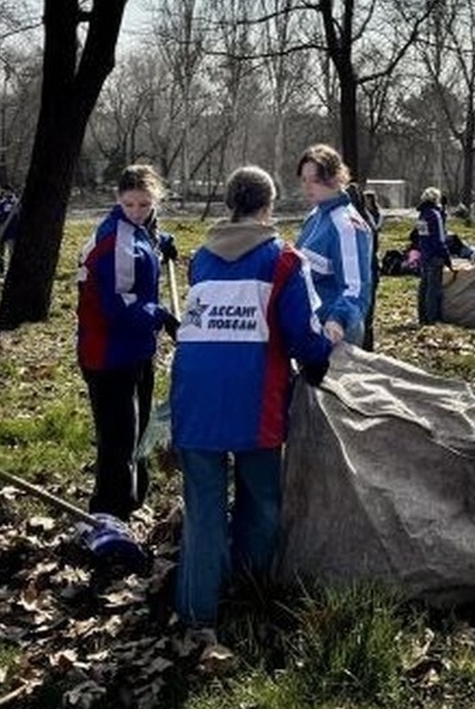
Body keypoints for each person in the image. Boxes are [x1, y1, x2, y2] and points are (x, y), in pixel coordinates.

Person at [170, 165, 333, 630]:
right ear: (268, 207)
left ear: (228, 205)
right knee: (260, 500)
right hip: (253, 399)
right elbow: (303, 335)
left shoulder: (201, 257)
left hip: (194, 398)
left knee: (202, 509)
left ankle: (197, 611)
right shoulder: (284, 260)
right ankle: (250, 593)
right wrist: (323, 357)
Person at [76, 165, 178, 521]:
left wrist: (160, 242)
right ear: (118, 199)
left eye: (145, 205)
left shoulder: (138, 230)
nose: (137, 211)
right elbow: (118, 306)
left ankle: (133, 500)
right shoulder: (115, 240)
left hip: (134, 349)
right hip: (108, 353)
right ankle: (108, 513)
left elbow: (144, 240)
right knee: (118, 438)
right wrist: (161, 317)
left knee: (139, 427)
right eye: (130, 204)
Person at [295, 144, 373, 346]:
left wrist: (338, 319)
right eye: (304, 180)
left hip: (334, 333)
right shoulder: (316, 215)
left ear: (336, 177)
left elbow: (356, 287)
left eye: (315, 180)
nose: (307, 186)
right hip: (311, 327)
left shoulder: (346, 225)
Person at [415, 187, 450, 325]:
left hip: (424, 254)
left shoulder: (422, 215)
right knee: (433, 289)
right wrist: (446, 256)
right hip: (435, 256)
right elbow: (440, 239)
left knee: (424, 286)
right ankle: (432, 318)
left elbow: (422, 236)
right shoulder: (435, 215)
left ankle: (422, 316)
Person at [360, 189, 383, 350]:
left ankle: (367, 345)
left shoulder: (370, 217)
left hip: (371, 265)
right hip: (370, 265)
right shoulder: (363, 217)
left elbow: (375, 232)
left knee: (368, 312)